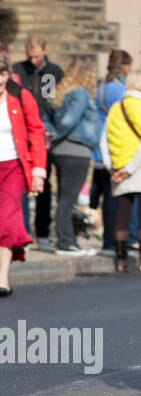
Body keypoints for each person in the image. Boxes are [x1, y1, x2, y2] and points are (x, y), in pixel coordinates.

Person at [100, 69, 141, 273]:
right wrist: (129, 170)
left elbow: (103, 142)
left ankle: (121, 261)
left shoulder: (115, 109)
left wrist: (114, 168)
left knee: (122, 213)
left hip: (118, 166)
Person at [0, 56, 46, 297]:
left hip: (14, 166)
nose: (0, 81)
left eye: (3, 75)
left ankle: (2, 277)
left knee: (7, 219)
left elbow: (36, 131)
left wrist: (39, 170)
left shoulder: (19, 95)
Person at [48, 56, 100, 256]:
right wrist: (57, 136)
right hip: (75, 150)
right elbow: (68, 121)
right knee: (68, 199)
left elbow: (58, 118)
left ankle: (66, 239)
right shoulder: (81, 93)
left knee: (64, 197)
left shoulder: (65, 92)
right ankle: (66, 242)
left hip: (62, 151)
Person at [15, 33, 61, 251]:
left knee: (44, 184)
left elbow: (51, 104)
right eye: (30, 56)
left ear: (45, 51)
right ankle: (22, 231)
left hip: (44, 134)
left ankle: (43, 233)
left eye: (36, 56)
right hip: (22, 132)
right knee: (21, 184)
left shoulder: (51, 72)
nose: (33, 61)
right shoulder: (18, 70)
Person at [92, 51, 132, 255]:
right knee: (113, 200)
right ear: (124, 67)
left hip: (99, 152)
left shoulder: (100, 88)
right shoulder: (120, 90)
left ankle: (108, 241)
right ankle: (111, 243)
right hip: (114, 150)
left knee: (104, 199)